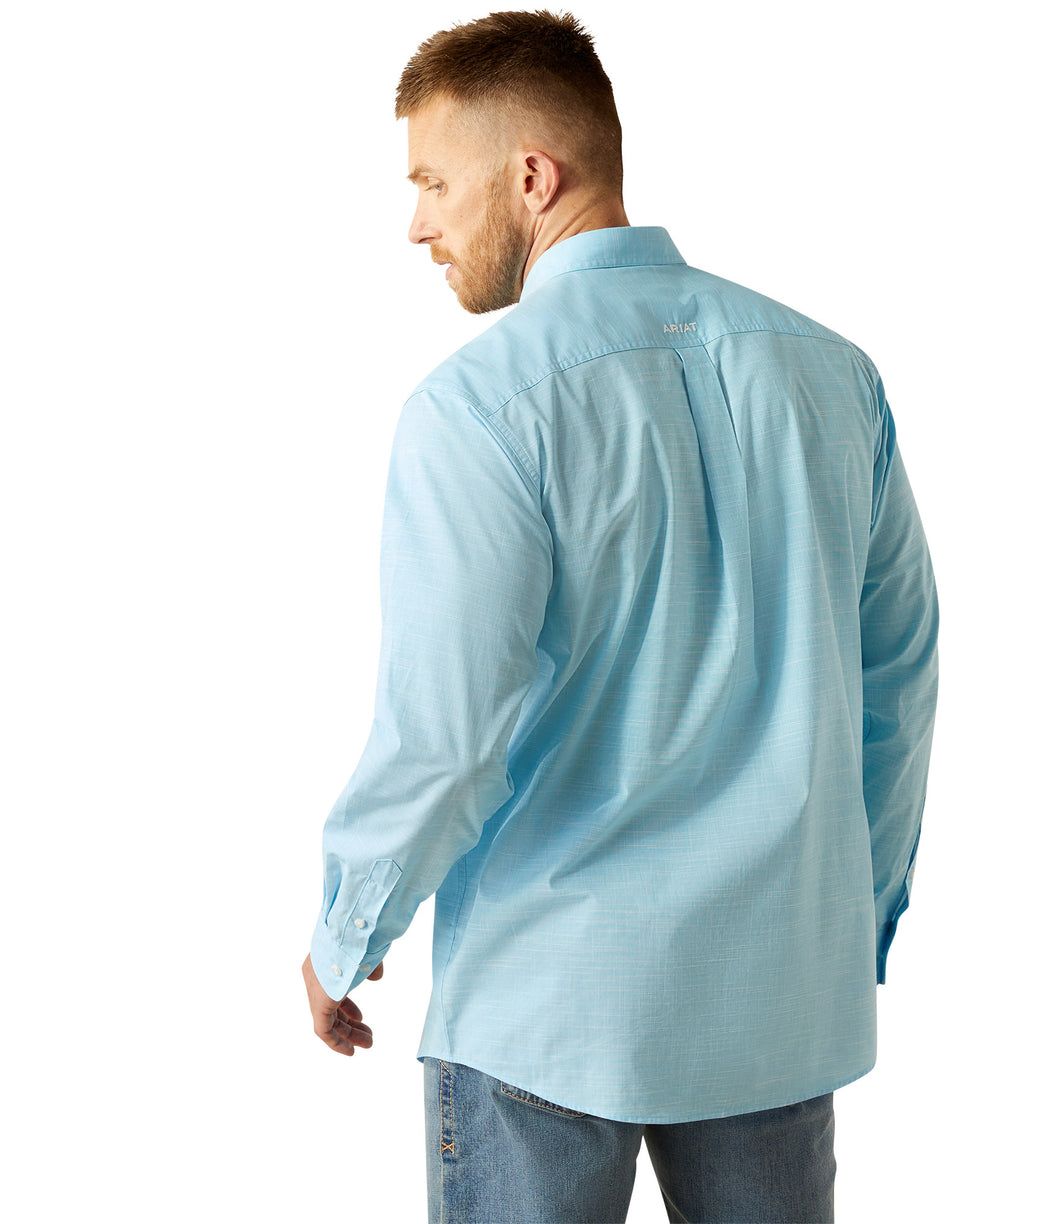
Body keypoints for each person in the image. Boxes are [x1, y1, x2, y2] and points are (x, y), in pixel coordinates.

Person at [301, 10, 938, 1222]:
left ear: (531, 176)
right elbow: (898, 680)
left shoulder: (481, 407)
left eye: (434, 180)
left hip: (550, 1004)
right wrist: (853, 921)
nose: (417, 224)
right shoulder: (833, 373)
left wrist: (349, 927)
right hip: (777, 998)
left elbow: (446, 728)